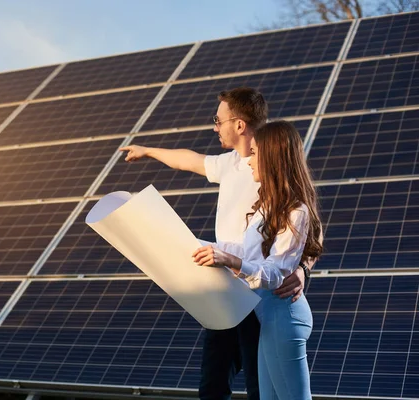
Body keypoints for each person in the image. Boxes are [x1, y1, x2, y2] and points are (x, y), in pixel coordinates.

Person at [120, 87, 312, 400]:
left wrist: (302, 268)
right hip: (225, 287)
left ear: (239, 125)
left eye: (218, 120)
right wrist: (149, 151)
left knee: (261, 386)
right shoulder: (233, 165)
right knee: (213, 384)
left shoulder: (275, 168)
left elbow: (305, 233)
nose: (214, 126)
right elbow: (189, 160)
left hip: (261, 295)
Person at [192, 120, 323, 399]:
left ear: (272, 157)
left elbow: (275, 272)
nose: (248, 161)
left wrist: (228, 260)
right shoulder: (267, 206)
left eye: (254, 153)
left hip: (284, 317)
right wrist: (190, 243)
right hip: (269, 318)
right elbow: (246, 252)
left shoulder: (296, 210)